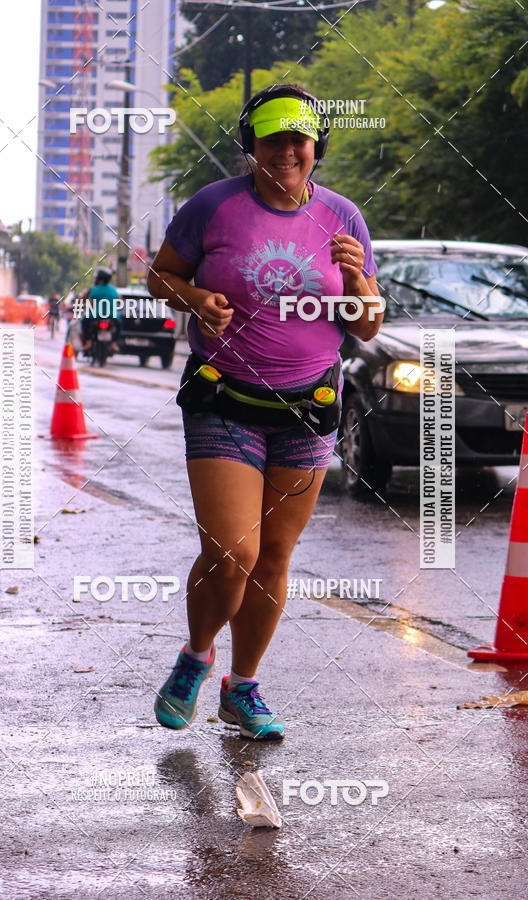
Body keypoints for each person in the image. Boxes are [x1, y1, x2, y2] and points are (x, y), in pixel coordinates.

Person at [147, 83, 384, 740]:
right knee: (233, 551)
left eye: (298, 140)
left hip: (309, 406)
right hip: (225, 398)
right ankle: (196, 658)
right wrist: (194, 296)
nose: (286, 151)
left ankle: (242, 688)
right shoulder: (213, 206)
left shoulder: (343, 217)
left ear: (316, 148)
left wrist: (360, 279)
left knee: (275, 557)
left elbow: (365, 327)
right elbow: (159, 275)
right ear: (251, 144)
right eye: (272, 138)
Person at [80, 267, 120, 353]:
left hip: (95, 315)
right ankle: (114, 342)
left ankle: (88, 342)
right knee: (120, 324)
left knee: (84, 321)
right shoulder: (114, 290)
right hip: (112, 316)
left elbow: (90, 305)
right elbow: (118, 303)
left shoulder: (95, 290)